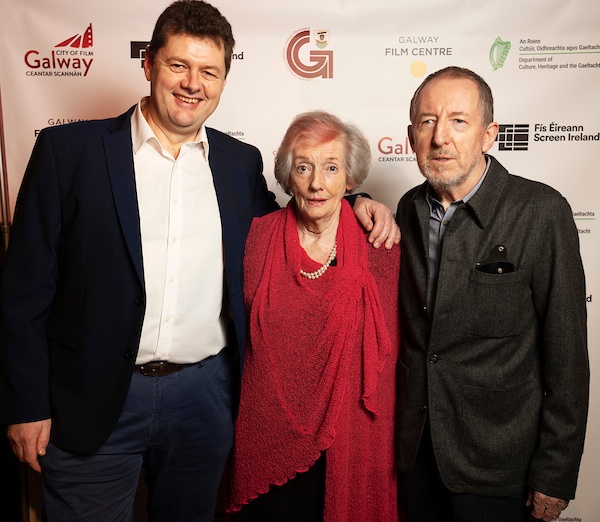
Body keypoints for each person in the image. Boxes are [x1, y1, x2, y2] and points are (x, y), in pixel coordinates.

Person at [0, 2, 399, 521]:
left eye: (209, 71)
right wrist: (26, 404)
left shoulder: (238, 164)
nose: (193, 83)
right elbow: (24, 292)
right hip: (93, 397)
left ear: (224, 80)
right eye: (178, 65)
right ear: (149, 64)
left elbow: (293, 219)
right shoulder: (66, 152)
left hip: (203, 399)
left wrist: (355, 199)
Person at [395, 65, 589, 522]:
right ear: (410, 136)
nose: (440, 136)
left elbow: (566, 355)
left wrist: (555, 473)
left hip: (500, 467)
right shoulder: (405, 209)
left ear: (489, 134)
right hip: (415, 455)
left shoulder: (541, 213)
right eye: (427, 122)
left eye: (459, 121)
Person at [227, 111, 401, 522]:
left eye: (331, 168)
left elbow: (392, 366)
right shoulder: (256, 239)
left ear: (351, 179)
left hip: (351, 441)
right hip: (268, 437)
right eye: (304, 167)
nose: (317, 183)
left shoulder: (382, 248)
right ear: (288, 176)